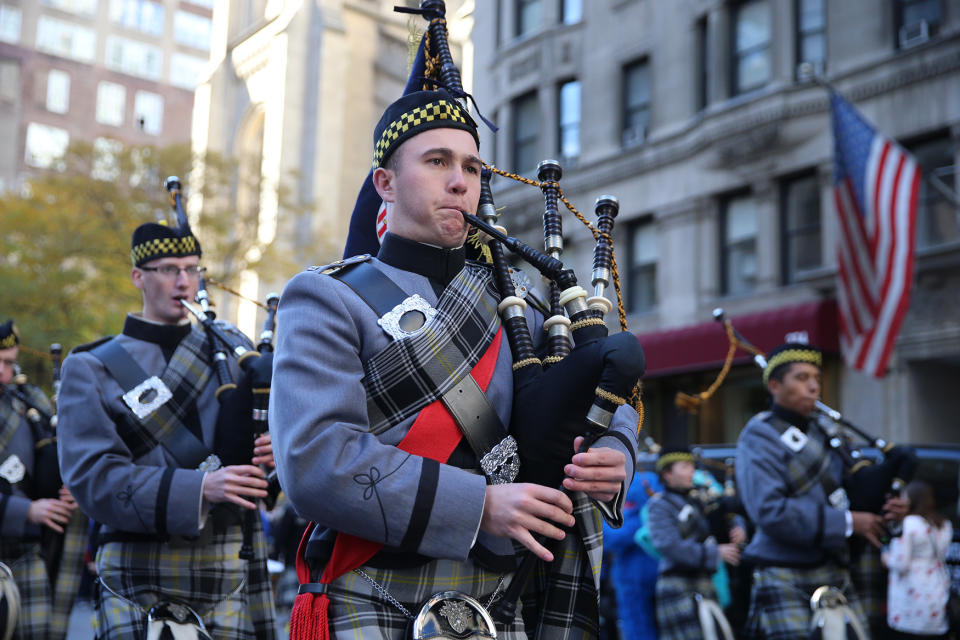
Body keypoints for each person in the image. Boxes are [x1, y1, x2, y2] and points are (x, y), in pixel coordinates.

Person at [270, 88, 640, 639]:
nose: (460, 181)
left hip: (500, 599)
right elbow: (314, 458)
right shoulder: (327, 298)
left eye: (470, 166)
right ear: (385, 185)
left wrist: (615, 452)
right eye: (437, 161)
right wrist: (478, 507)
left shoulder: (521, 309)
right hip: (372, 588)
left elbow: (598, 401)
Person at [57, 222, 278, 639]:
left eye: (193, 269)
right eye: (169, 269)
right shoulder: (91, 368)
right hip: (134, 566)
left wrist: (270, 462)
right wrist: (201, 489)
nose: (184, 281)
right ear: (138, 276)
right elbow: (92, 480)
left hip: (226, 557)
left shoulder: (232, 357)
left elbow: (263, 473)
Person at [736, 342, 886, 639]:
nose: (814, 387)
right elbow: (770, 512)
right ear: (775, 385)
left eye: (816, 378)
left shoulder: (826, 431)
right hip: (783, 570)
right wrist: (848, 522)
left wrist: (887, 498)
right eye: (802, 378)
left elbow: (849, 493)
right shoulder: (758, 436)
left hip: (834, 566)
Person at [0, 319, 78, 640]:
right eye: (2, 362)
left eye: (10, 362)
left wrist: (72, 487)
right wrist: (27, 512)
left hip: (27, 552)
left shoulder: (27, 402)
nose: (8, 372)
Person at [646, 446, 742, 639]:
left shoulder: (699, 499)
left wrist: (739, 528)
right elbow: (668, 545)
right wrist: (715, 553)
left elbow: (728, 511)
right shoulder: (659, 505)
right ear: (667, 474)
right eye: (684, 466)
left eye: (691, 466)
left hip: (705, 582)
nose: (692, 471)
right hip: (676, 585)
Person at [882, 480, 953, 639]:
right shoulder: (944, 524)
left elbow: (901, 563)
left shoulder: (909, 523)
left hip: (911, 600)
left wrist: (885, 557)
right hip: (936, 593)